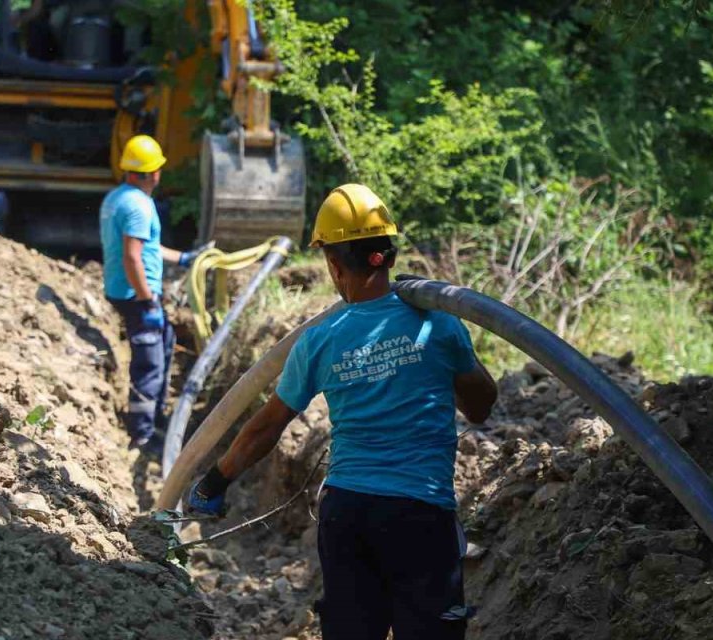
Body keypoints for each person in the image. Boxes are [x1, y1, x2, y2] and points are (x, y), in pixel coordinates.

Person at [185, 184, 499, 639]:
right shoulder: (439, 325)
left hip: (349, 515)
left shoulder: (319, 340)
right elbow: (481, 405)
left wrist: (215, 480)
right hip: (421, 515)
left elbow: (265, 428)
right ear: (388, 255)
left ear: (333, 264)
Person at [100, 134, 204, 454]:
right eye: (157, 168)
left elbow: (145, 246)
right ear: (150, 173)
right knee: (150, 362)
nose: (160, 174)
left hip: (123, 290)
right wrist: (147, 300)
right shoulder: (139, 206)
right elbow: (133, 256)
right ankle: (143, 435)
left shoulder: (117, 198)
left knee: (166, 342)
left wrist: (183, 258)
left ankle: (156, 419)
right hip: (135, 295)